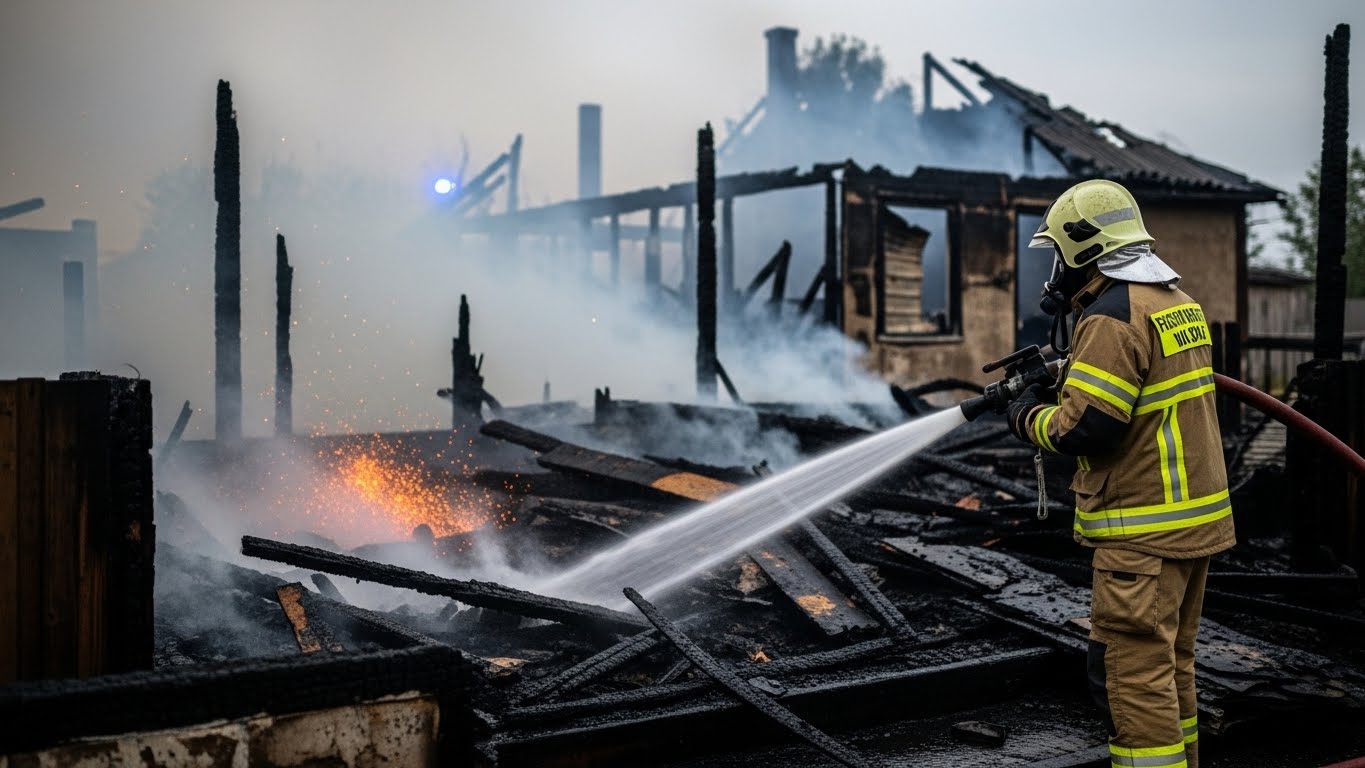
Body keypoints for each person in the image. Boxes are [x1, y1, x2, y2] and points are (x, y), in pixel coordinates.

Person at [1005, 179, 1234, 768]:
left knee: (1133, 672)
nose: (1055, 271)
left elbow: (1086, 428)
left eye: (1058, 254)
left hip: (1143, 529)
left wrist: (1027, 417)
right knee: (1170, 663)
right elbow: (1143, 392)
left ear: (1082, 250)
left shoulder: (1110, 317)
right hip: (1193, 523)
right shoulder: (1174, 300)